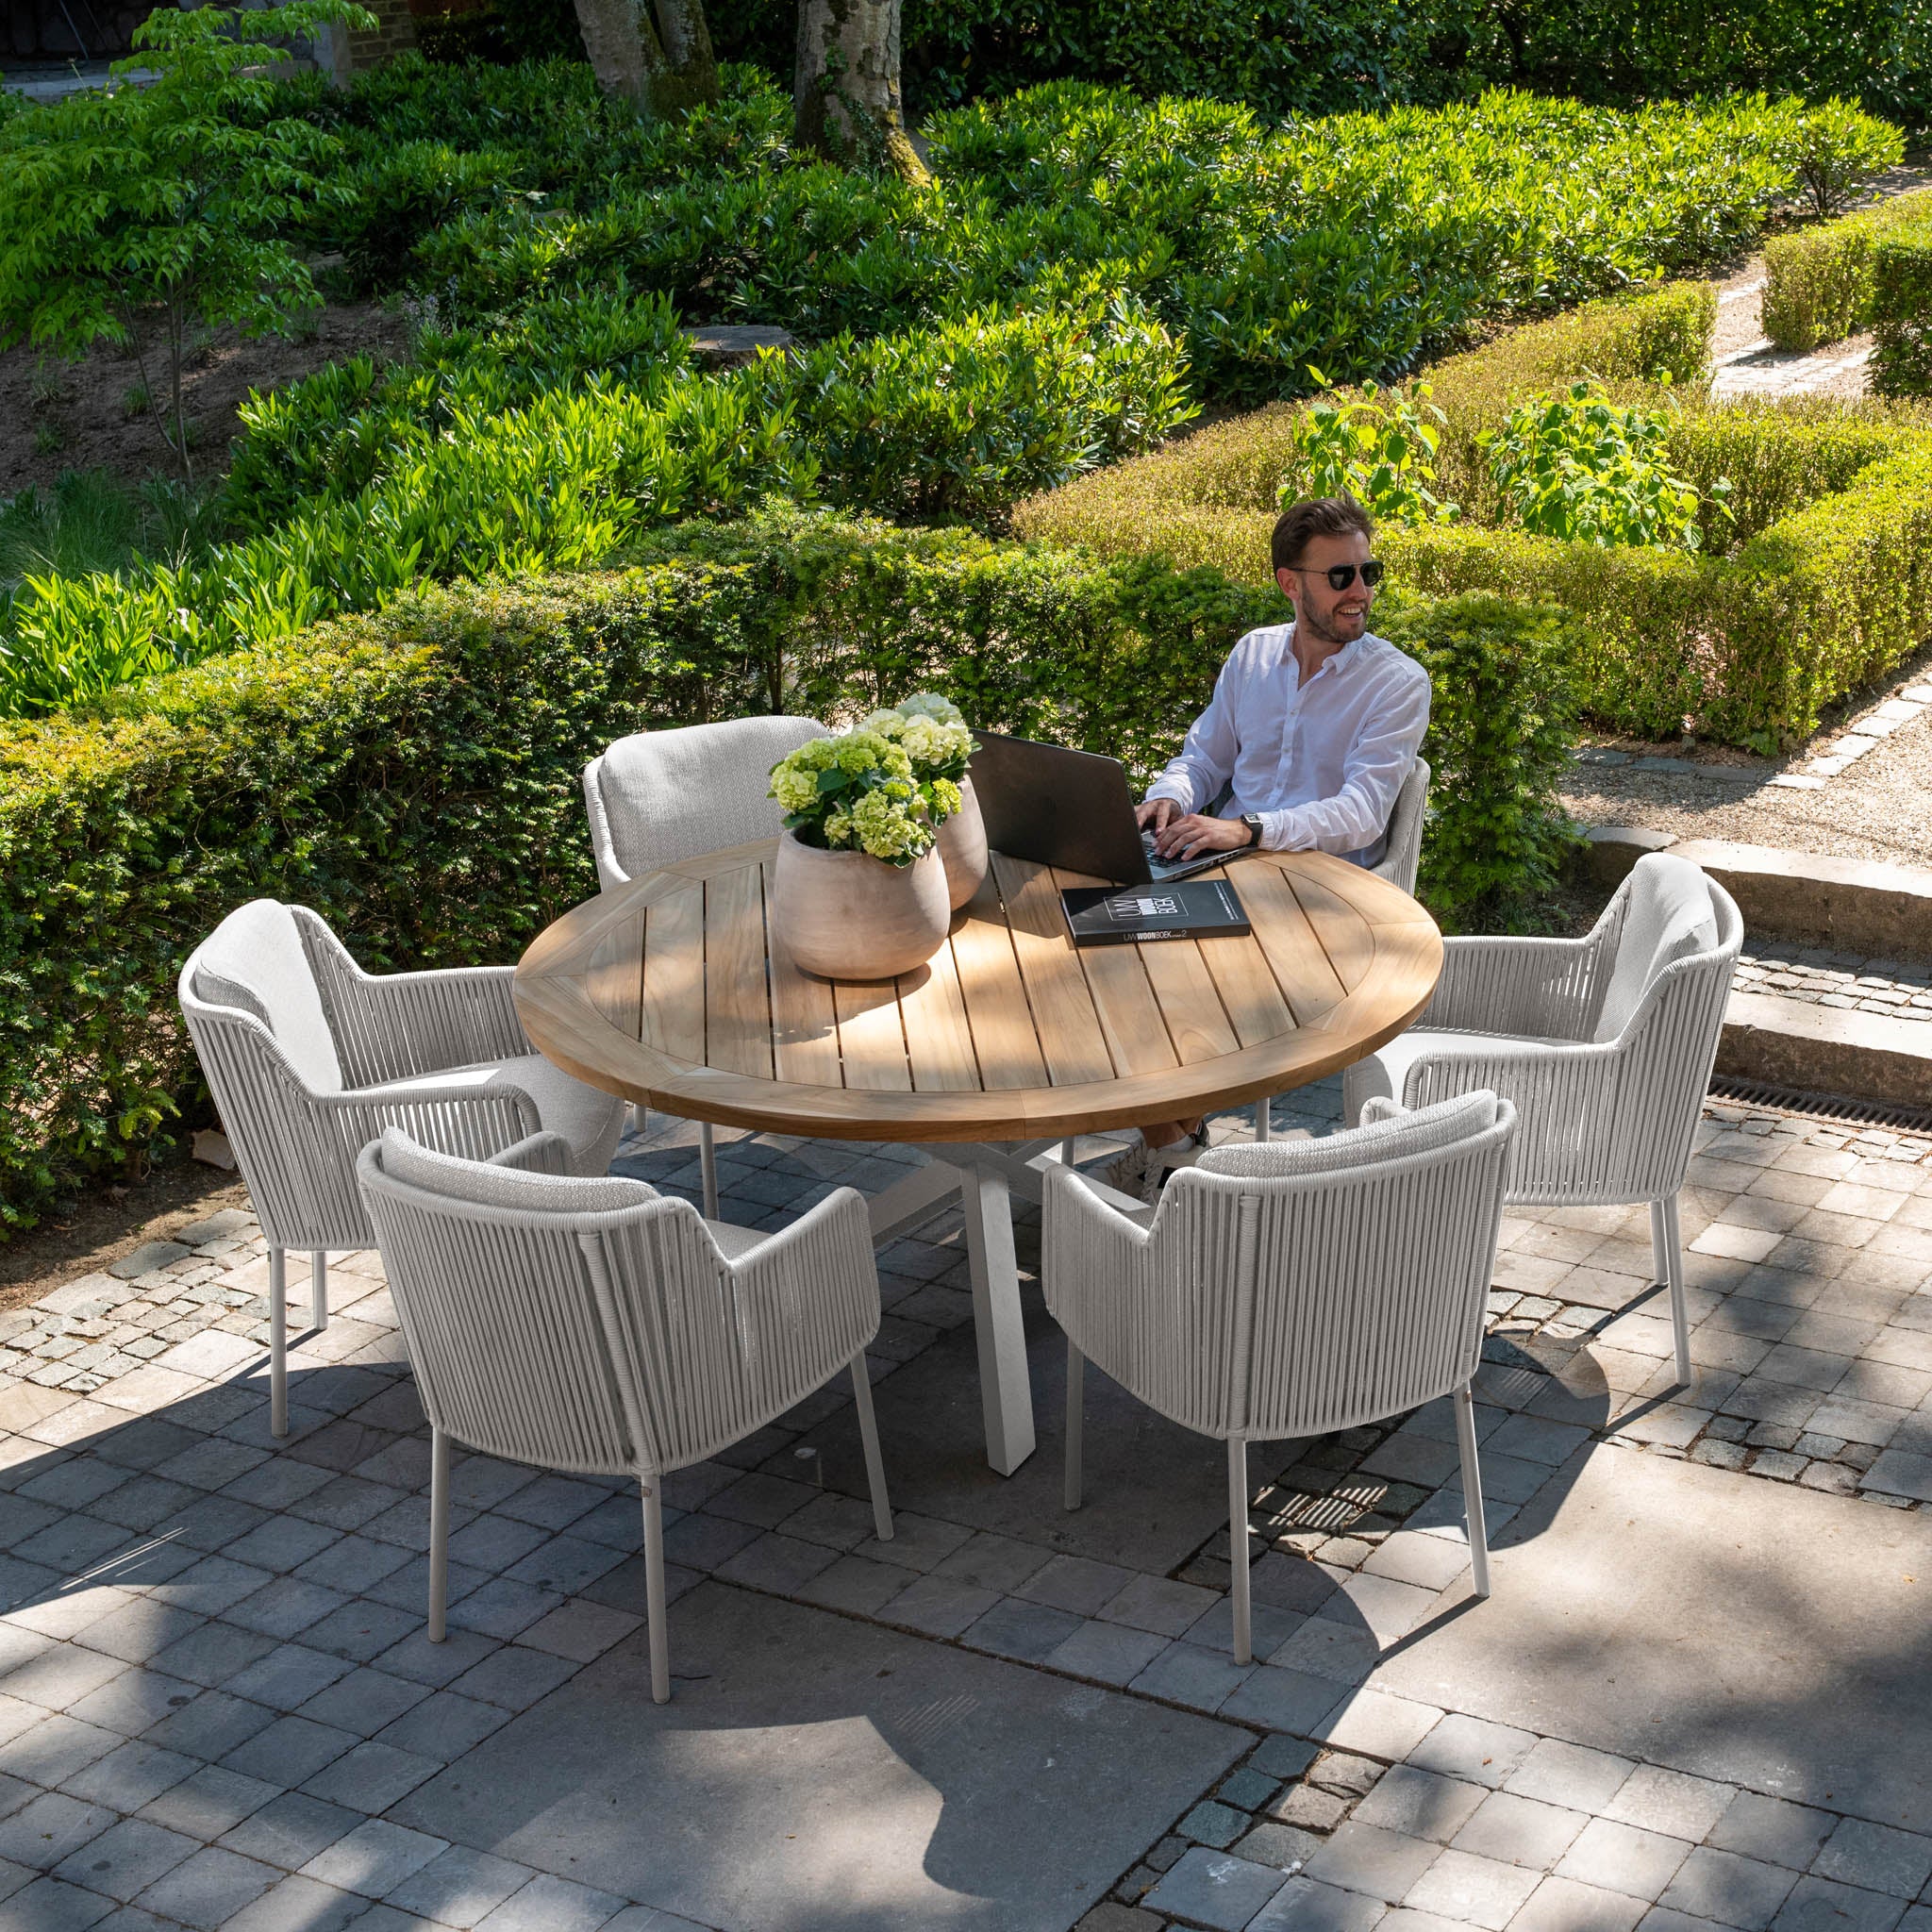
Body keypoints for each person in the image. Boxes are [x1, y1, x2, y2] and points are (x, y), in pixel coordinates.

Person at [1105, 491, 1432, 1201]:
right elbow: (1204, 756)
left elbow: (1362, 813)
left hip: (1321, 899)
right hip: (1223, 869)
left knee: (1164, 974)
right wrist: (1173, 796)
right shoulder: (1253, 654)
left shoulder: (1397, 684)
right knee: (1105, 938)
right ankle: (1179, 1154)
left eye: (1368, 573)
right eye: (1339, 576)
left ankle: (1173, 1159)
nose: (1360, 592)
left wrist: (1250, 830)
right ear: (1291, 583)